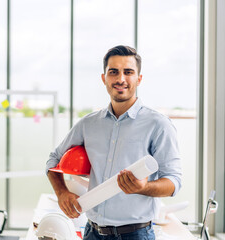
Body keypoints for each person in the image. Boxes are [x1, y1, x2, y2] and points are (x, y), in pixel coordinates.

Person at [46, 45, 182, 240]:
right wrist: (62, 194)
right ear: (104, 78)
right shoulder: (88, 124)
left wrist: (143, 188)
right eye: (113, 72)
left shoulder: (158, 124)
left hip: (135, 235)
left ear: (139, 78)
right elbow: (53, 160)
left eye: (128, 72)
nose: (120, 79)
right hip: (92, 232)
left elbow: (174, 183)